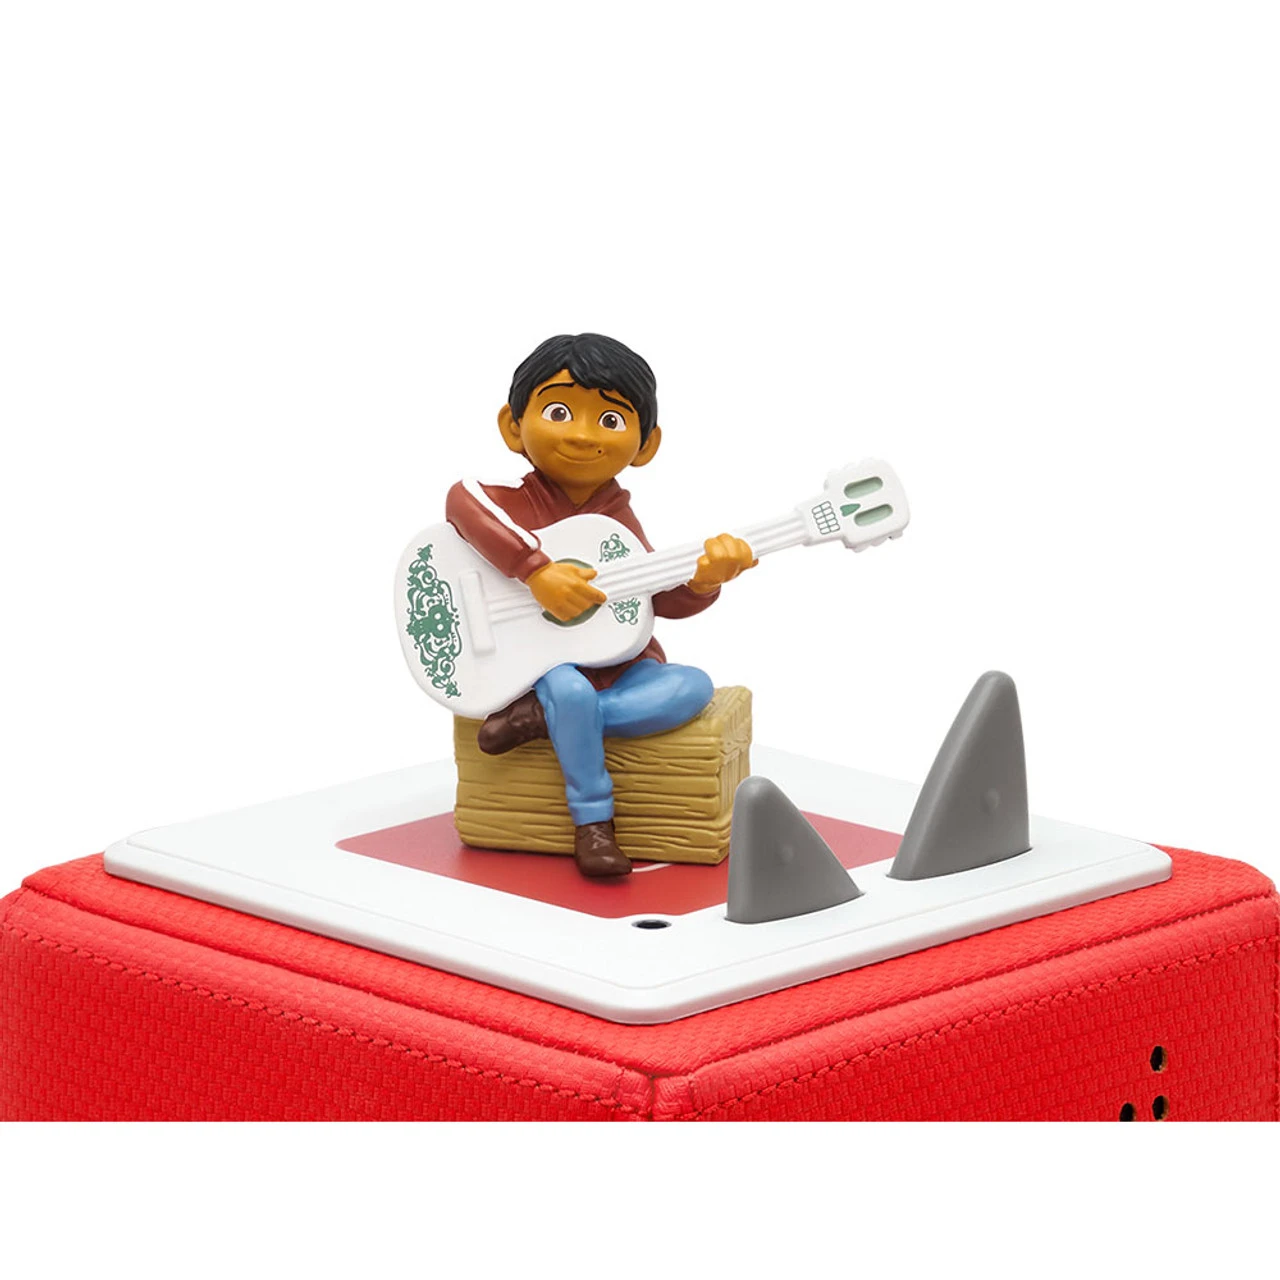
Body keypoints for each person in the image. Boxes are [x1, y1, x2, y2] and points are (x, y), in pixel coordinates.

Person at [446, 333, 756, 877]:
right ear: (513, 426)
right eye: (559, 412)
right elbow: (462, 501)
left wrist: (704, 580)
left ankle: (543, 720)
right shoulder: (509, 501)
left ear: (646, 444)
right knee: (568, 688)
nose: (583, 435)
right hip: (538, 667)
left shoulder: (617, 523)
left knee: (690, 688)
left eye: (610, 420)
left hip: (623, 667)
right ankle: (593, 823)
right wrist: (534, 571)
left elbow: (651, 599)